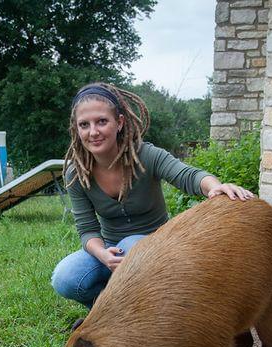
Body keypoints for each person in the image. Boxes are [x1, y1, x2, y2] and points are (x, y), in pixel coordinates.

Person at [51, 82, 254, 311]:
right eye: (84, 125)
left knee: (131, 246)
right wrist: (103, 255)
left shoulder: (146, 155)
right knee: (65, 278)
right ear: (76, 130)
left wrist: (215, 186)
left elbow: (187, 175)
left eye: (102, 121)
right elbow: (87, 229)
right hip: (110, 248)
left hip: (154, 243)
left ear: (119, 122)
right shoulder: (76, 174)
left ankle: (135, 305)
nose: (93, 132)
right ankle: (108, 312)